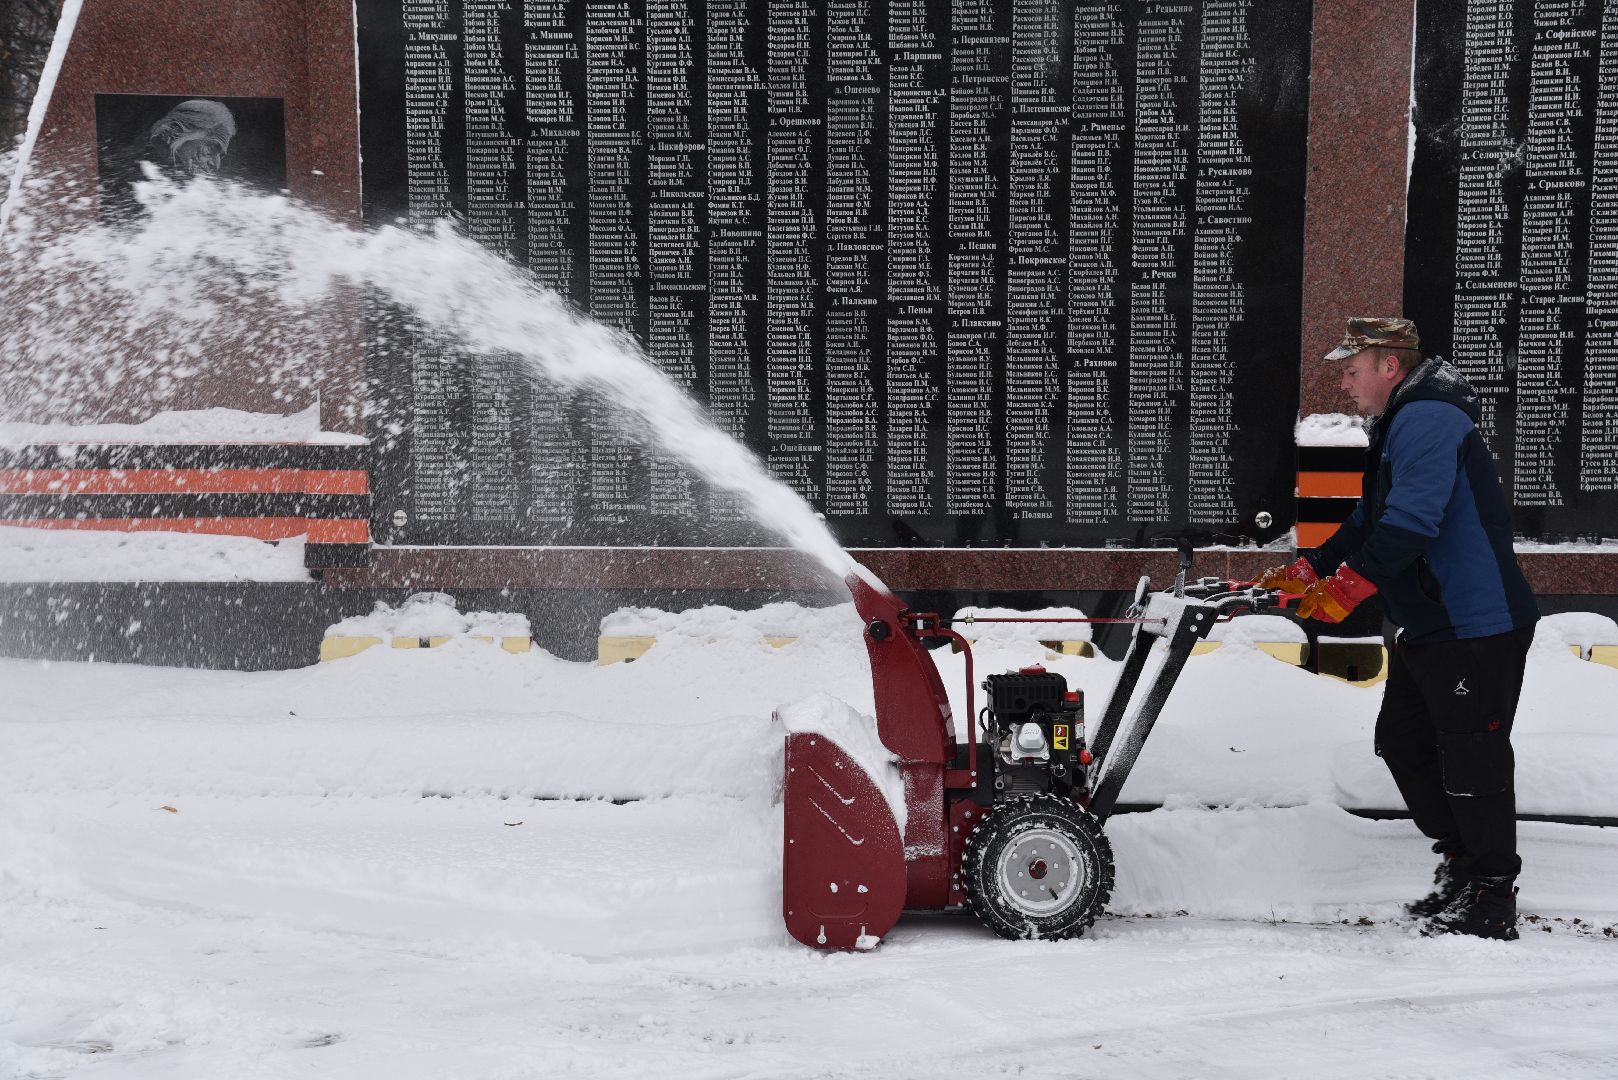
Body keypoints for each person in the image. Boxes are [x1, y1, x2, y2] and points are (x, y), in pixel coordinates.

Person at [1258, 317, 1539, 941]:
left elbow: (1413, 521)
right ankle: (1464, 864)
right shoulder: (1400, 421)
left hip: (1473, 622)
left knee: (1472, 756)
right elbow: (1369, 519)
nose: (1344, 384)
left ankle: (1492, 894)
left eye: (1351, 370)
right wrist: (1310, 569)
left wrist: (1346, 590)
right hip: (1430, 622)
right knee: (1404, 742)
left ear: (1389, 366)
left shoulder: (1429, 418)